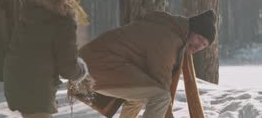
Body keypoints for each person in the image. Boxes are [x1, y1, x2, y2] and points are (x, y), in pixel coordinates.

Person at [78, 9, 217, 118]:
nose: (199, 46)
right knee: (160, 97)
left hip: (91, 64)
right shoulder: (168, 38)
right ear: (190, 30)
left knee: (139, 96)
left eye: (204, 45)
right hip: (95, 65)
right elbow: (161, 81)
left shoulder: (170, 31)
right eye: (199, 38)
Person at [4, 0, 90, 118]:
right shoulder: (63, 19)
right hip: (37, 88)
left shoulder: (31, 7)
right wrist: (82, 69)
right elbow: (67, 67)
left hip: (15, 79)